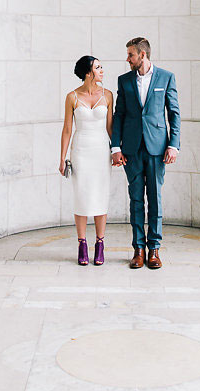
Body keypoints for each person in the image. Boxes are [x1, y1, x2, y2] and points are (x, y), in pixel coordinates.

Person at [111, 37, 180, 269]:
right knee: (136, 200)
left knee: (156, 199)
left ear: (143, 54)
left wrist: (174, 144)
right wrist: (116, 147)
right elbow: (118, 115)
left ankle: (155, 250)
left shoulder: (166, 77)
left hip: (157, 148)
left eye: (130, 55)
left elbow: (174, 113)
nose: (127, 59)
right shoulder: (124, 80)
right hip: (131, 149)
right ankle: (138, 250)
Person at [59, 55, 113, 266]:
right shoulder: (72, 97)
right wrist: (62, 158)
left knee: (101, 195)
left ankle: (100, 244)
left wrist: (118, 150)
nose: (102, 71)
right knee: (81, 196)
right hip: (80, 151)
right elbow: (66, 130)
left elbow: (110, 127)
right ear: (88, 72)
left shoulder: (108, 95)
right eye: (98, 68)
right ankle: (82, 244)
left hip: (101, 151)